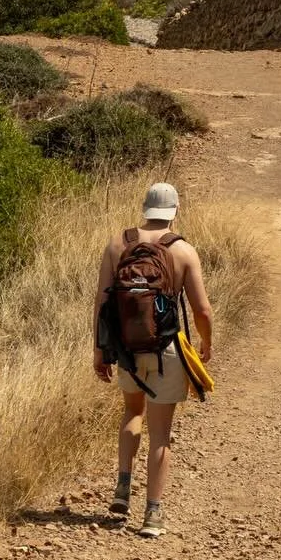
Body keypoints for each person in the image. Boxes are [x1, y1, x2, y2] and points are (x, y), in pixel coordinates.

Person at [92, 180, 213, 538]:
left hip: (127, 350)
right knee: (161, 435)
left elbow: (101, 304)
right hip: (167, 350)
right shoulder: (183, 251)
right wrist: (206, 344)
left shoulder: (118, 244)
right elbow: (202, 309)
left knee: (132, 412)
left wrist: (100, 350)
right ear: (175, 211)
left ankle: (122, 488)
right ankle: (153, 516)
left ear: (145, 208)